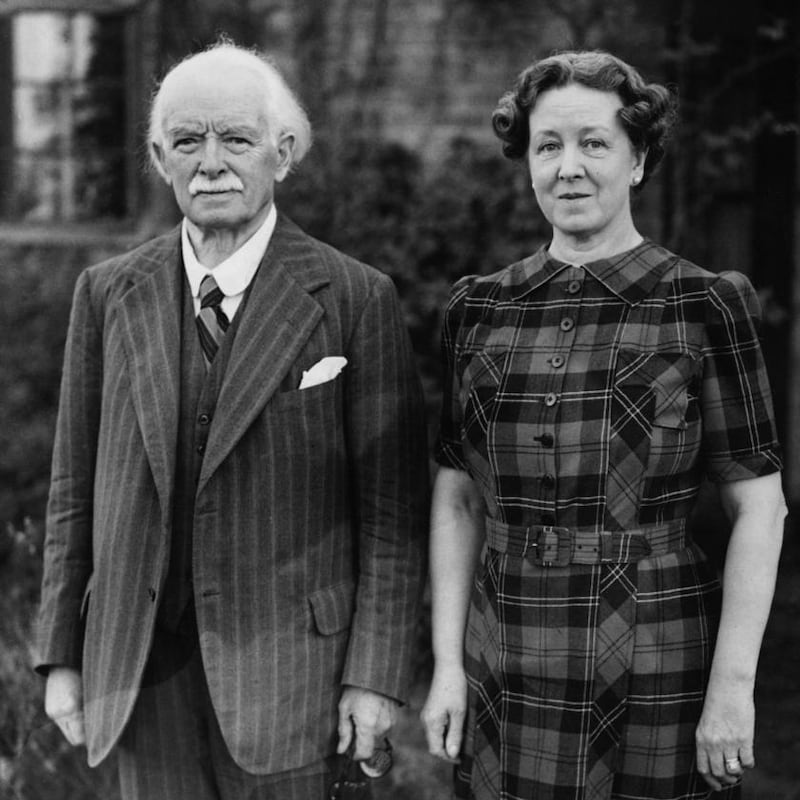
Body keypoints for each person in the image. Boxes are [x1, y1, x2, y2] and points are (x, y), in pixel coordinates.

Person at [34, 41, 428, 800]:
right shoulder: (108, 293)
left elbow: (392, 518)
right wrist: (61, 655)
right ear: (159, 157)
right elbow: (72, 490)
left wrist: (375, 679)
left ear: (282, 154)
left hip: (294, 681)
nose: (211, 162)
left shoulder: (354, 298)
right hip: (141, 676)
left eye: (236, 139)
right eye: (187, 141)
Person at [421, 50, 786, 800]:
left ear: (639, 158)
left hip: (657, 652)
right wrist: (448, 666)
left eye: (595, 143)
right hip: (505, 649)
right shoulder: (478, 308)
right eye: (548, 145)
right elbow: (456, 499)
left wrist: (732, 687)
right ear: (526, 161)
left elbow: (759, 505)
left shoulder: (703, 304)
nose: (569, 167)